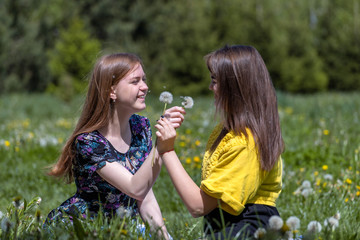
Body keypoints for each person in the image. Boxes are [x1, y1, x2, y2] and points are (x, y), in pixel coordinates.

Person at [45, 53, 185, 239]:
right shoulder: (89, 142)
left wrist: (164, 236)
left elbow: (144, 193)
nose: (145, 87)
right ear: (111, 91)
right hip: (87, 227)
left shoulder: (140, 127)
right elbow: (134, 188)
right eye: (135, 81)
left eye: (143, 79)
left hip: (127, 226)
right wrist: (161, 146)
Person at [154, 45, 284, 239]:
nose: (210, 88)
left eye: (215, 81)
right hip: (230, 225)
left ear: (235, 87)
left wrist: (167, 150)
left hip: (248, 228)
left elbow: (198, 206)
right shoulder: (226, 131)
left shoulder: (244, 143)